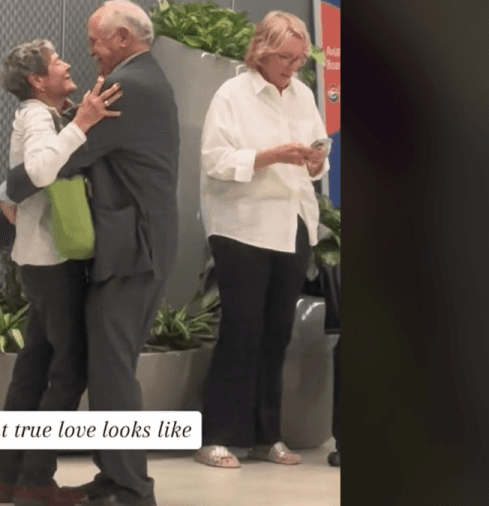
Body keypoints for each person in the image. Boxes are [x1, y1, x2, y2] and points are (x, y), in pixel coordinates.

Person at [2, 2, 179, 505]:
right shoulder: (139, 77)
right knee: (96, 366)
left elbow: (62, 161)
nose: (89, 54)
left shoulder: (127, 86)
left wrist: (5, 190)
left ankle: (128, 487)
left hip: (133, 249)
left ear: (122, 38)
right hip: (129, 246)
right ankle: (99, 478)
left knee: (110, 368)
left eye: (95, 42)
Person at [0, 39, 124, 506]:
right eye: (56, 62)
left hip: (40, 258)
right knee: (70, 369)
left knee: (33, 368)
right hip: (52, 259)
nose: (67, 64)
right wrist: (82, 121)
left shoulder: (44, 113)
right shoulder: (36, 115)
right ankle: (35, 481)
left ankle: (8, 477)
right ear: (36, 80)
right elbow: (42, 169)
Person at [195, 10, 331, 469]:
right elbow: (216, 159)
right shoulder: (232, 94)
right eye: (285, 58)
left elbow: (318, 157)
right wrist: (271, 156)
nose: (293, 67)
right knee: (242, 331)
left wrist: (315, 163)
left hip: (293, 223)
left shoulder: (304, 95)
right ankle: (216, 435)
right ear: (262, 51)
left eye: (298, 59)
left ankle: (264, 435)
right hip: (243, 228)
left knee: (276, 334)